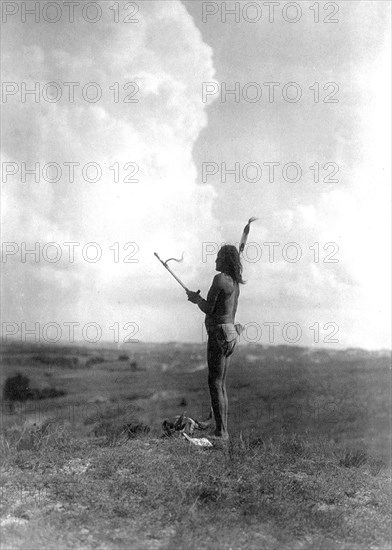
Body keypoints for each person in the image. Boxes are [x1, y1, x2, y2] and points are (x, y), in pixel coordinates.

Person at [186, 245, 244, 440]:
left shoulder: (219, 279)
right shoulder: (234, 283)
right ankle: (222, 431)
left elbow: (209, 309)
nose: (215, 261)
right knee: (221, 384)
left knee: (214, 382)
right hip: (231, 334)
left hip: (219, 334)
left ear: (225, 260)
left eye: (218, 257)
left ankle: (221, 432)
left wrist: (196, 299)